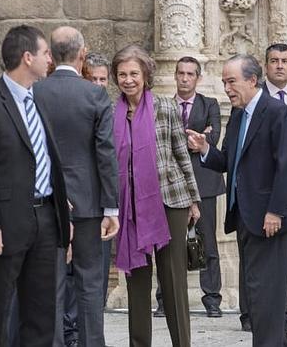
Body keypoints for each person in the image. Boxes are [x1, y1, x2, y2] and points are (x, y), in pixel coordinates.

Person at [0, 25, 71, 347]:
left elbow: (45, 157)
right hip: (8, 225)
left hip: (45, 219)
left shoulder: (39, 101)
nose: (50, 59)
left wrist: (60, 207)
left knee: (41, 311)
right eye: (45, 53)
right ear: (27, 57)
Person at [187, 54, 287, 347]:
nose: (226, 88)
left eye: (231, 81)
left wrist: (275, 211)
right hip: (245, 218)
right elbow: (229, 161)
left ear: (252, 80)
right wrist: (205, 149)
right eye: (224, 82)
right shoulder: (239, 115)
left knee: (269, 297)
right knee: (256, 296)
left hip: (270, 220)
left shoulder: (275, 112)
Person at [35, 26, 119, 347]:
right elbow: (105, 154)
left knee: (51, 283)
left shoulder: (35, 92)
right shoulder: (95, 94)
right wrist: (110, 207)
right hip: (88, 204)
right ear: (82, 54)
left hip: (46, 203)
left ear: (51, 56)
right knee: (90, 282)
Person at [112, 44, 200, 347]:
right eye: (122, 74)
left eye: (134, 73)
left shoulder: (164, 107)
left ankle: (182, 343)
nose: (128, 80)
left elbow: (180, 154)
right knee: (136, 278)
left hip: (169, 202)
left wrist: (193, 199)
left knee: (173, 279)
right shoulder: (114, 114)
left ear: (145, 75)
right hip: (130, 206)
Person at [238, 43, 287, 333]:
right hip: (257, 193)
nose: (280, 65)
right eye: (274, 61)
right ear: (264, 67)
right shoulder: (253, 99)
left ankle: (283, 311)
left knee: (284, 256)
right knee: (253, 260)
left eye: (286, 61)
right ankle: (249, 313)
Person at [155, 56, 226, 319]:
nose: (185, 78)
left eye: (190, 74)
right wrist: (195, 135)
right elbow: (160, 141)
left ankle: (212, 300)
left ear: (198, 78)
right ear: (175, 76)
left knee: (207, 243)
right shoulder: (163, 105)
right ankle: (165, 301)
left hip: (205, 183)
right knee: (167, 244)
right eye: (181, 73)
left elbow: (213, 137)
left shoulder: (210, 104)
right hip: (171, 185)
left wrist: (198, 138)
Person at [83, 51, 115, 304]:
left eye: (103, 80)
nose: (98, 85)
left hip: (107, 197)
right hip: (80, 197)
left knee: (103, 261)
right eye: (93, 79)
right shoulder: (76, 108)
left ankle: (98, 308)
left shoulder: (114, 111)